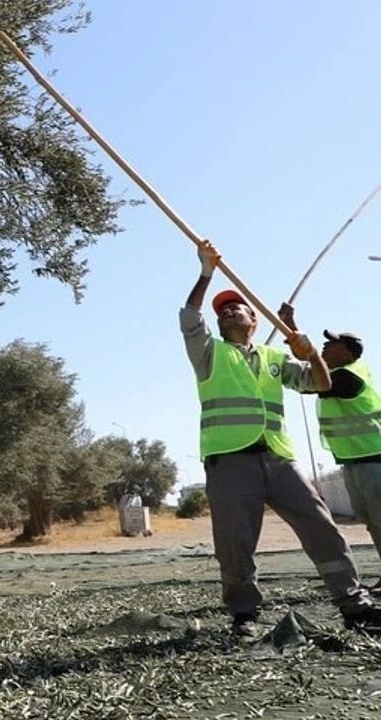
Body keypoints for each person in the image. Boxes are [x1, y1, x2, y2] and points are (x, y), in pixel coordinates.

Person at [183, 241, 381, 636]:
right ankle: (244, 615)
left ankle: (354, 605)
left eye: (236, 306)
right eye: (223, 310)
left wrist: (310, 352)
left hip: (279, 459)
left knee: (322, 527)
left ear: (255, 320)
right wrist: (206, 273)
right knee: (235, 542)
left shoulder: (276, 359)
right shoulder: (209, 354)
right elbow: (190, 314)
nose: (228, 311)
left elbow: (320, 382)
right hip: (230, 460)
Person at [277, 309, 381, 579]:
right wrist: (290, 328)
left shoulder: (351, 374)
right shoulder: (338, 372)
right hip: (354, 460)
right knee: (372, 521)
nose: (325, 346)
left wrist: (294, 338)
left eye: (331, 343)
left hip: (375, 457)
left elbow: (316, 382)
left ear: (348, 352)